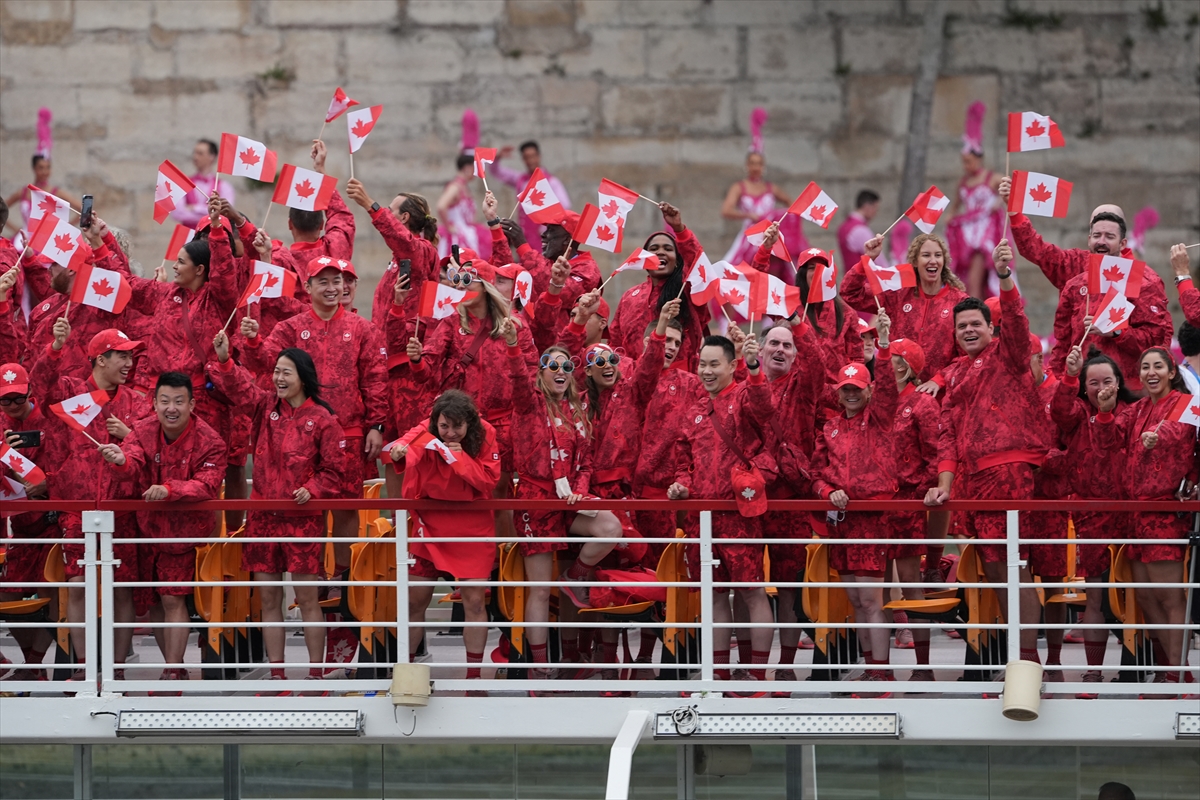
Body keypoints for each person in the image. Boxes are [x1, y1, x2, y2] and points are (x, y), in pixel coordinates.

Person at [925, 239, 1054, 670]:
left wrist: (1004, 278)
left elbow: (1017, 322)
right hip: (972, 484)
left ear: (990, 328)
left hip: (1010, 476)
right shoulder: (955, 373)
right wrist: (944, 487)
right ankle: (1017, 655)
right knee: (997, 573)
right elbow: (946, 437)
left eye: (975, 324)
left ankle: (1027, 660)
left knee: (1013, 571)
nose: (967, 331)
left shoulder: (1009, 355)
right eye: (960, 326)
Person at [239, 256, 388, 576]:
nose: (332, 288)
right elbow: (265, 362)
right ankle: (315, 580)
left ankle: (344, 584)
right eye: (323, 281)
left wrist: (376, 425)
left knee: (346, 509)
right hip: (300, 435)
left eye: (338, 281)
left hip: (348, 432)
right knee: (309, 509)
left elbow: (376, 379)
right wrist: (252, 339)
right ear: (307, 287)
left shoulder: (363, 329)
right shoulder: (290, 327)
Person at [210, 332, 345, 681]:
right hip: (263, 519)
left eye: (286, 372)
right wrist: (225, 359)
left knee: (307, 598)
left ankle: (316, 674)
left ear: (303, 376)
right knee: (268, 599)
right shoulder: (264, 407)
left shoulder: (324, 419)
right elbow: (240, 389)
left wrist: (312, 489)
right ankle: (278, 674)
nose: (278, 378)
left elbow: (335, 472)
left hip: (303, 521)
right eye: (276, 372)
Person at [30, 327, 152, 678]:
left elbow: (148, 450)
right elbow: (38, 386)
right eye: (123, 355)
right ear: (102, 358)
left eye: (131, 355)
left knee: (122, 590)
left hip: (122, 509)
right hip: (76, 510)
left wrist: (128, 437)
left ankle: (116, 670)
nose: (130, 362)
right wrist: (54, 348)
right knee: (78, 586)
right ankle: (84, 668)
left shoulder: (138, 401)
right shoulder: (70, 390)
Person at [505, 324, 623, 680]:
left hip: (568, 501)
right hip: (536, 502)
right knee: (539, 590)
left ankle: (576, 575)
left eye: (565, 366)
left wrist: (579, 490)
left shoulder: (578, 412)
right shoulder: (529, 404)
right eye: (550, 365)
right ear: (540, 373)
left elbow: (586, 462)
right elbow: (516, 376)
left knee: (610, 527)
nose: (559, 371)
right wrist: (514, 345)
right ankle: (539, 669)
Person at [121, 198, 243, 529]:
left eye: (181, 261)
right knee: (162, 475)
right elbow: (128, 285)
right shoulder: (165, 295)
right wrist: (104, 241)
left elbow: (227, 274)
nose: (174, 267)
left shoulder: (219, 300)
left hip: (205, 402)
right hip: (163, 402)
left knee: (205, 481)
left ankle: (213, 553)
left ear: (200, 270)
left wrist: (217, 228)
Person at [98, 372, 226, 683]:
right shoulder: (143, 430)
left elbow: (207, 485)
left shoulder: (212, 441)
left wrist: (170, 490)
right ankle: (174, 666)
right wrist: (120, 461)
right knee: (154, 600)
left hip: (185, 534)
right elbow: (132, 459)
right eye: (165, 401)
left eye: (179, 402)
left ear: (192, 404)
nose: (172, 408)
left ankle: (172, 669)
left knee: (172, 598)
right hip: (146, 530)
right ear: (154, 403)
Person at [668, 334, 777, 687]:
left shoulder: (744, 394)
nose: (707, 371)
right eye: (703, 364)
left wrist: (756, 368)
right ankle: (717, 673)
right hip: (704, 518)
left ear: (732, 366)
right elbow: (683, 460)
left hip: (740, 514)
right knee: (713, 594)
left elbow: (765, 408)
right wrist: (681, 483)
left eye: (715, 364)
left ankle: (757, 675)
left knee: (751, 592)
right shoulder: (695, 409)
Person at [1091, 347, 1194, 693]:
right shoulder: (1137, 410)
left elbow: (1179, 433)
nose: (1151, 372)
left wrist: (1157, 437)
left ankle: (1180, 676)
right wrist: (1105, 413)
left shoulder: (1184, 402)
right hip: (1134, 515)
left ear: (1171, 372)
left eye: (1158, 366)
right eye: (1145, 366)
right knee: (1147, 598)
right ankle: (1168, 670)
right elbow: (1109, 443)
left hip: (1164, 513)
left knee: (1169, 597)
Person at [389, 390, 501, 688]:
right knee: (415, 601)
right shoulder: (425, 429)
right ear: (435, 422)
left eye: (458, 427)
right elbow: (402, 445)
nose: (450, 433)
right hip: (429, 524)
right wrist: (399, 449)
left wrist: (457, 457)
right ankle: (407, 675)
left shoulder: (487, 433)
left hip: (473, 528)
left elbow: (488, 480)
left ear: (470, 423)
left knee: (475, 604)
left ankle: (474, 679)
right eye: (444, 427)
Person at [812, 311, 899, 693]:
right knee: (853, 598)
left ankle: (881, 670)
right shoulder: (829, 428)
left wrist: (881, 344)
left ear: (868, 390)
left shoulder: (880, 418)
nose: (850, 393)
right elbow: (816, 475)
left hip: (872, 518)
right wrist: (827, 492)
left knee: (869, 598)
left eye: (857, 388)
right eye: (845, 388)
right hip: (840, 522)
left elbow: (890, 389)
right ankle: (870, 666)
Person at [1052, 346, 1138, 694]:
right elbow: (1057, 409)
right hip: (1090, 518)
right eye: (1092, 382)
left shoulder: (1134, 413)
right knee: (1096, 599)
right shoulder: (1074, 413)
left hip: (1131, 516)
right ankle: (1093, 671)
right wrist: (1069, 374)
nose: (1100, 386)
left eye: (1107, 380)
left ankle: (1138, 665)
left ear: (1119, 382)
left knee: (1136, 596)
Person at [757, 318, 827, 678]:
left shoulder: (803, 386)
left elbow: (818, 363)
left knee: (787, 588)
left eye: (787, 346)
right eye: (774, 344)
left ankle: (785, 665)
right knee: (750, 587)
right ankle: (753, 667)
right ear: (761, 350)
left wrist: (798, 325)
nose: (780, 350)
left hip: (790, 502)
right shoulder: (745, 387)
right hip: (750, 500)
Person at [1046, 217, 1172, 394]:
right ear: (1089, 240)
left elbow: (1156, 342)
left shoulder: (1143, 284)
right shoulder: (1074, 287)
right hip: (1083, 394)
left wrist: (1117, 332)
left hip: (1127, 394)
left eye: (1109, 236)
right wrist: (1057, 387)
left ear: (1123, 243)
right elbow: (1061, 345)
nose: (1102, 241)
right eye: (1097, 235)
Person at [843, 233, 969, 385]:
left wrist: (939, 380)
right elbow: (850, 293)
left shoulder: (960, 302)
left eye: (938, 255)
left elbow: (967, 355)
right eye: (926, 255)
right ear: (915, 261)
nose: (933, 260)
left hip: (940, 395)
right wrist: (868, 259)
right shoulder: (898, 294)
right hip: (897, 391)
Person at [0, 363, 58, 680]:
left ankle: (34, 664)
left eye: (17, 399)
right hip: (20, 527)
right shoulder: (0, 426)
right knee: (7, 597)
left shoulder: (52, 420)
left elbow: (74, 464)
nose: (11, 406)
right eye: (4, 400)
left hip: (56, 526)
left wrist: (48, 483)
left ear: (31, 392)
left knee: (56, 596)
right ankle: (30, 662)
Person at [886, 338, 938, 680]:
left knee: (910, 582)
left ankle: (923, 665)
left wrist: (923, 491)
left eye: (888, 359)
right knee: (872, 585)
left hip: (905, 504)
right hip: (874, 505)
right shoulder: (876, 401)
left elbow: (937, 453)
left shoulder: (922, 404)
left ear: (904, 366)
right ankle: (877, 666)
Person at [607, 204, 709, 371]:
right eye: (653, 249)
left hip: (678, 383)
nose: (660, 252)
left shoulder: (688, 288)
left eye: (668, 249)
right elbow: (615, 344)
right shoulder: (629, 296)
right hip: (635, 382)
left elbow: (696, 260)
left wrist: (678, 228)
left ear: (677, 260)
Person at [246, 140, 354, 284]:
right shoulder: (337, 247)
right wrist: (321, 170)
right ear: (322, 224)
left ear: (290, 224)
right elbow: (342, 217)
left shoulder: (280, 263)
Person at [945, 101, 1004, 298]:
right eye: (963, 162)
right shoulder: (963, 182)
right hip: (966, 235)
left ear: (978, 158)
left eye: (968, 161)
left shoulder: (992, 178)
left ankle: (977, 307)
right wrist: (949, 217)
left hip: (985, 235)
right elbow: (955, 207)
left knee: (977, 276)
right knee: (965, 277)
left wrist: (999, 202)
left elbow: (1011, 191)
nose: (965, 166)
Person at [3, 108, 78, 234]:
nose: (44, 171)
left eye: (48, 167)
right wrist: (17, 230)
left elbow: (81, 210)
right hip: (23, 243)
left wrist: (65, 227)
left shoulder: (56, 192)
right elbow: (2, 209)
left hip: (46, 243)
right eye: (41, 168)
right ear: (34, 168)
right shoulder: (23, 192)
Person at [491, 140, 571, 247]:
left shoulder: (551, 182)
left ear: (539, 156)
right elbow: (498, 172)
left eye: (533, 156)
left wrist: (547, 228)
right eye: (526, 157)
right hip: (524, 236)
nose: (530, 160)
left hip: (542, 237)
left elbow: (565, 205)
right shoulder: (521, 179)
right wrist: (497, 158)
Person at [169, 139, 234, 229]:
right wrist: (210, 214)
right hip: (189, 238)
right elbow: (177, 213)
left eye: (200, 153)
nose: (195, 157)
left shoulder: (224, 186)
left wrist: (195, 208)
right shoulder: (184, 183)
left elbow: (225, 213)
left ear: (212, 157)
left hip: (212, 237)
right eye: (194, 153)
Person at [436, 154, 490, 262]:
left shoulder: (463, 186)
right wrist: (449, 226)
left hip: (468, 233)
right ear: (468, 168)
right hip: (459, 235)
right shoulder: (455, 186)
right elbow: (441, 206)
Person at [836, 190, 882, 268]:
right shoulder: (861, 230)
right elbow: (880, 262)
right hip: (865, 278)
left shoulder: (842, 227)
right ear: (867, 206)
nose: (876, 213)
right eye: (875, 208)